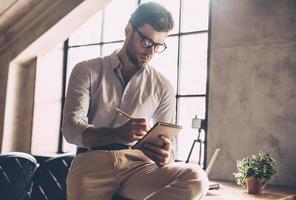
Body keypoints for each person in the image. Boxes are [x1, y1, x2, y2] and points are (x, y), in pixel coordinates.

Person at [62, 2, 209, 200]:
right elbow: (71, 130)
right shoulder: (86, 70)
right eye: (147, 42)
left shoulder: (163, 86)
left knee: (196, 177)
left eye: (158, 46)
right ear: (128, 30)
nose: (150, 52)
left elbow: (170, 148)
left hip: (139, 168)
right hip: (91, 165)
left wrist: (166, 154)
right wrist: (117, 135)